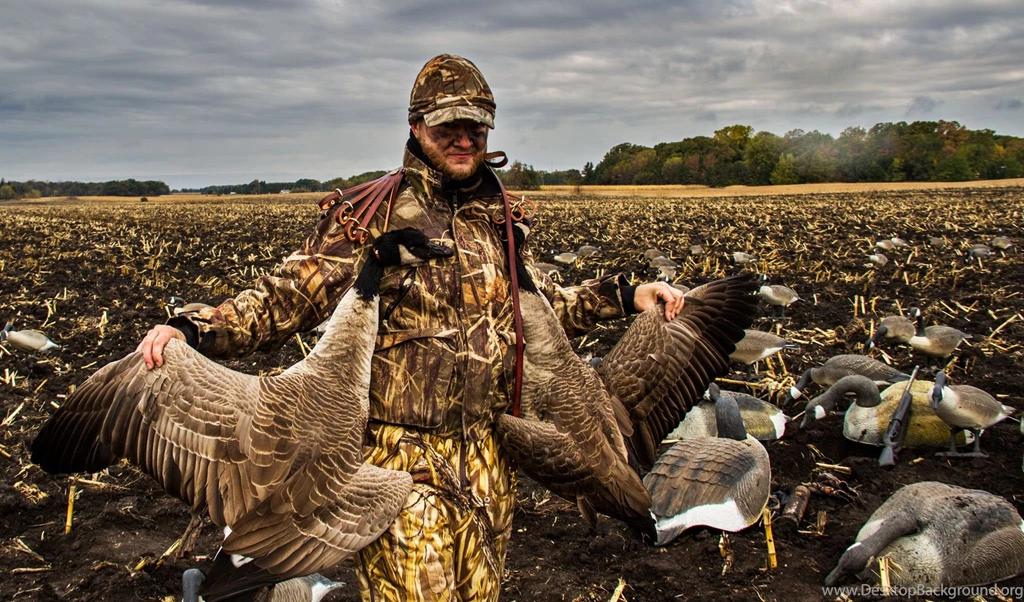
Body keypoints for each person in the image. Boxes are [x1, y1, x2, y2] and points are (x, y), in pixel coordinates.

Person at [140, 54, 684, 602]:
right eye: (449, 126)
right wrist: (193, 329)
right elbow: (283, 298)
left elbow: (534, 313)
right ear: (416, 125)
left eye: (475, 127)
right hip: (404, 463)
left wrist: (624, 295)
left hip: (491, 458)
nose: (464, 139)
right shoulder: (367, 217)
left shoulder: (498, 219)